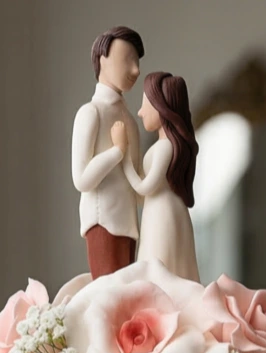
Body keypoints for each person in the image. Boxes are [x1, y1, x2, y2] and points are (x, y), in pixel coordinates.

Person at [111, 71, 200, 283]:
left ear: (162, 107)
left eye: (146, 105)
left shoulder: (165, 147)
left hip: (163, 215)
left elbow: (145, 187)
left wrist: (123, 155)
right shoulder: (164, 146)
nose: (140, 112)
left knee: (161, 272)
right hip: (160, 212)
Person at [71, 26, 144, 279]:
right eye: (127, 60)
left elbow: (137, 182)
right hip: (102, 221)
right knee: (107, 292)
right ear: (103, 60)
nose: (135, 70)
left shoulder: (130, 119)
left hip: (129, 224)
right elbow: (82, 179)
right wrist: (116, 152)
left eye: (137, 62)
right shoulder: (90, 113)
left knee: (128, 293)